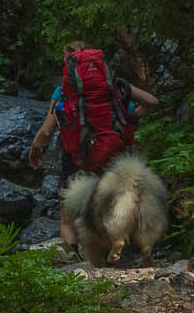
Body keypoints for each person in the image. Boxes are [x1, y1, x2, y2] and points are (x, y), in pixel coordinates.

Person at [26, 41, 159, 246]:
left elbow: (46, 131)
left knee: (66, 218)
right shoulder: (115, 85)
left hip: (78, 157)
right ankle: (124, 243)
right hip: (114, 152)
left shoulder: (62, 91)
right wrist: (130, 116)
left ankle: (73, 259)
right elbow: (152, 102)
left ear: (68, 61)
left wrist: (35, 149)